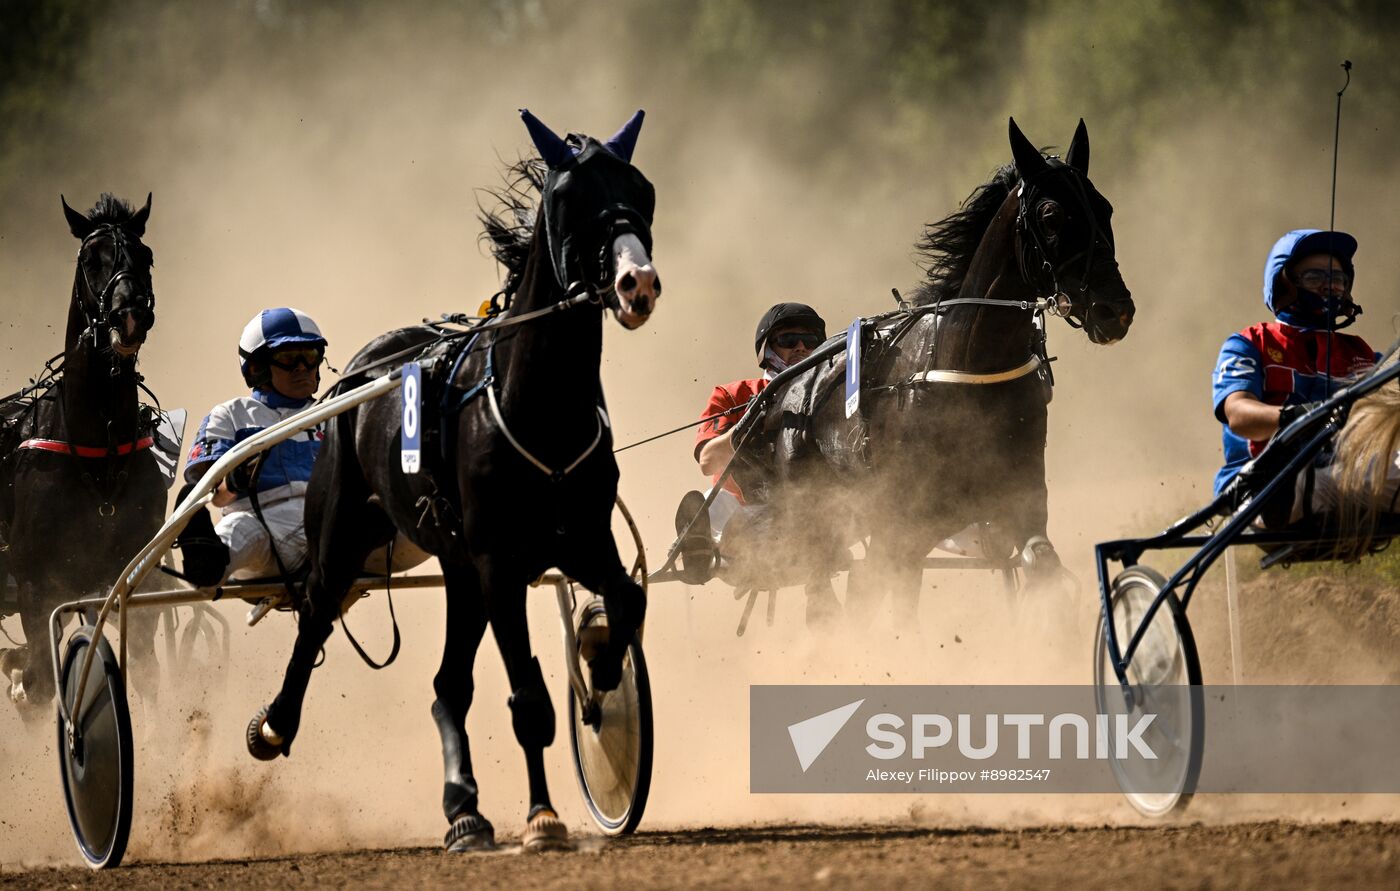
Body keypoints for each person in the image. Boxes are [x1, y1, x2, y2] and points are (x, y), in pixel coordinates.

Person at [675, 302, 842, 627]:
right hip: (744, 508)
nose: (801, 348)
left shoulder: (831, 396)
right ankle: (699, 548)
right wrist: (746, 426)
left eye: (810, 340)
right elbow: (708, 461)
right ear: (768, 349)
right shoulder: (735, 395)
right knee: (707, 506)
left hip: (818, 510)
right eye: (789, 339)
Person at [1212, 229, 1387, 525]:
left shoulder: (1362, 352)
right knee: (1288, 485)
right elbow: (1238, 415)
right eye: (1315, 277)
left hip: (1344, 474)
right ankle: (1281, 498)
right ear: (1285, 283)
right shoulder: (1249, 343)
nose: (1330, 287)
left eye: (1338, 279)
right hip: (1262, 478)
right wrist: (1297, 417)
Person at [175, 308, 328, 586]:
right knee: (239, 531)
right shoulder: (231, 415)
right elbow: (215, 497)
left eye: (310, 355)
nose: (302, 367)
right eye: (288, 357)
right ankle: (204, 561)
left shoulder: (335, 413)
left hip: (327, 525)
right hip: (260, 525)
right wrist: (233, 483)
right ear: (257, 368)